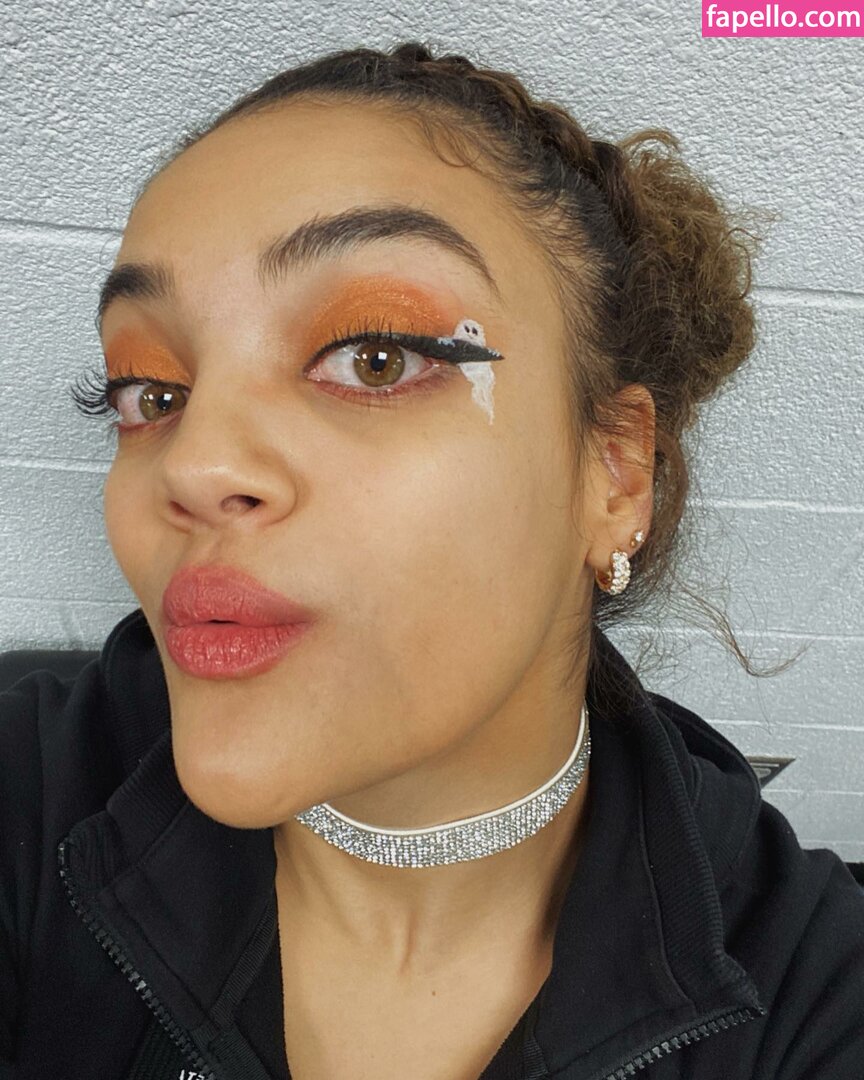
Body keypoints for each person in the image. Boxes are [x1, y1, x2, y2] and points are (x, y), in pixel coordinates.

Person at [1, 41, 862, 1080]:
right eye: (152, 392)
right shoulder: (31, 791)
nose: (194, 464)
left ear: (615, 475)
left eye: (376, 358)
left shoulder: (811, 987)